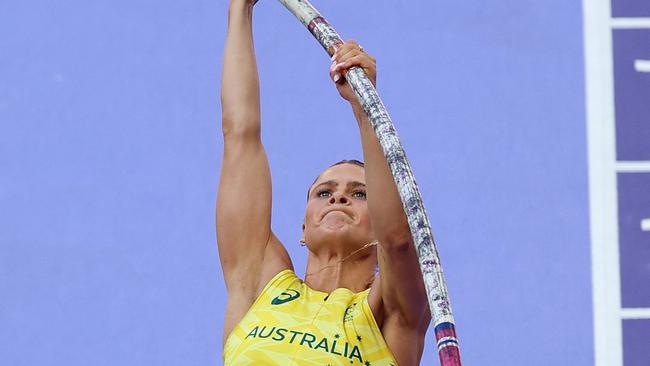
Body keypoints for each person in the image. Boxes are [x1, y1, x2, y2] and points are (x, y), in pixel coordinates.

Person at [217, 0, 430, 364]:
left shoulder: (390, 314)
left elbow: (398, 242)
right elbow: (239, 135)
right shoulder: (259, 286)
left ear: (379, 219)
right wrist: (240, 9)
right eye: (324, 192)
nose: (338, 199)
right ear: (302, 228)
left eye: (359, 193)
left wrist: (365, 109)